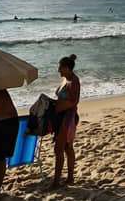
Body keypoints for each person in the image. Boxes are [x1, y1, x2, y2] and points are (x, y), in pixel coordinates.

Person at [50, 54, 81, 189]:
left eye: (60, 68)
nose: (59, 71)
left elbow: (74, 101)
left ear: (67, 68)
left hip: (68, 118)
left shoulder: (74, 81)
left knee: (59, 149)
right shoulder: (66, 78)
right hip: (61, 116)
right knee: (67, 147)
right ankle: (70, 178)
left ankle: (57, 182)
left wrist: (59, 106)